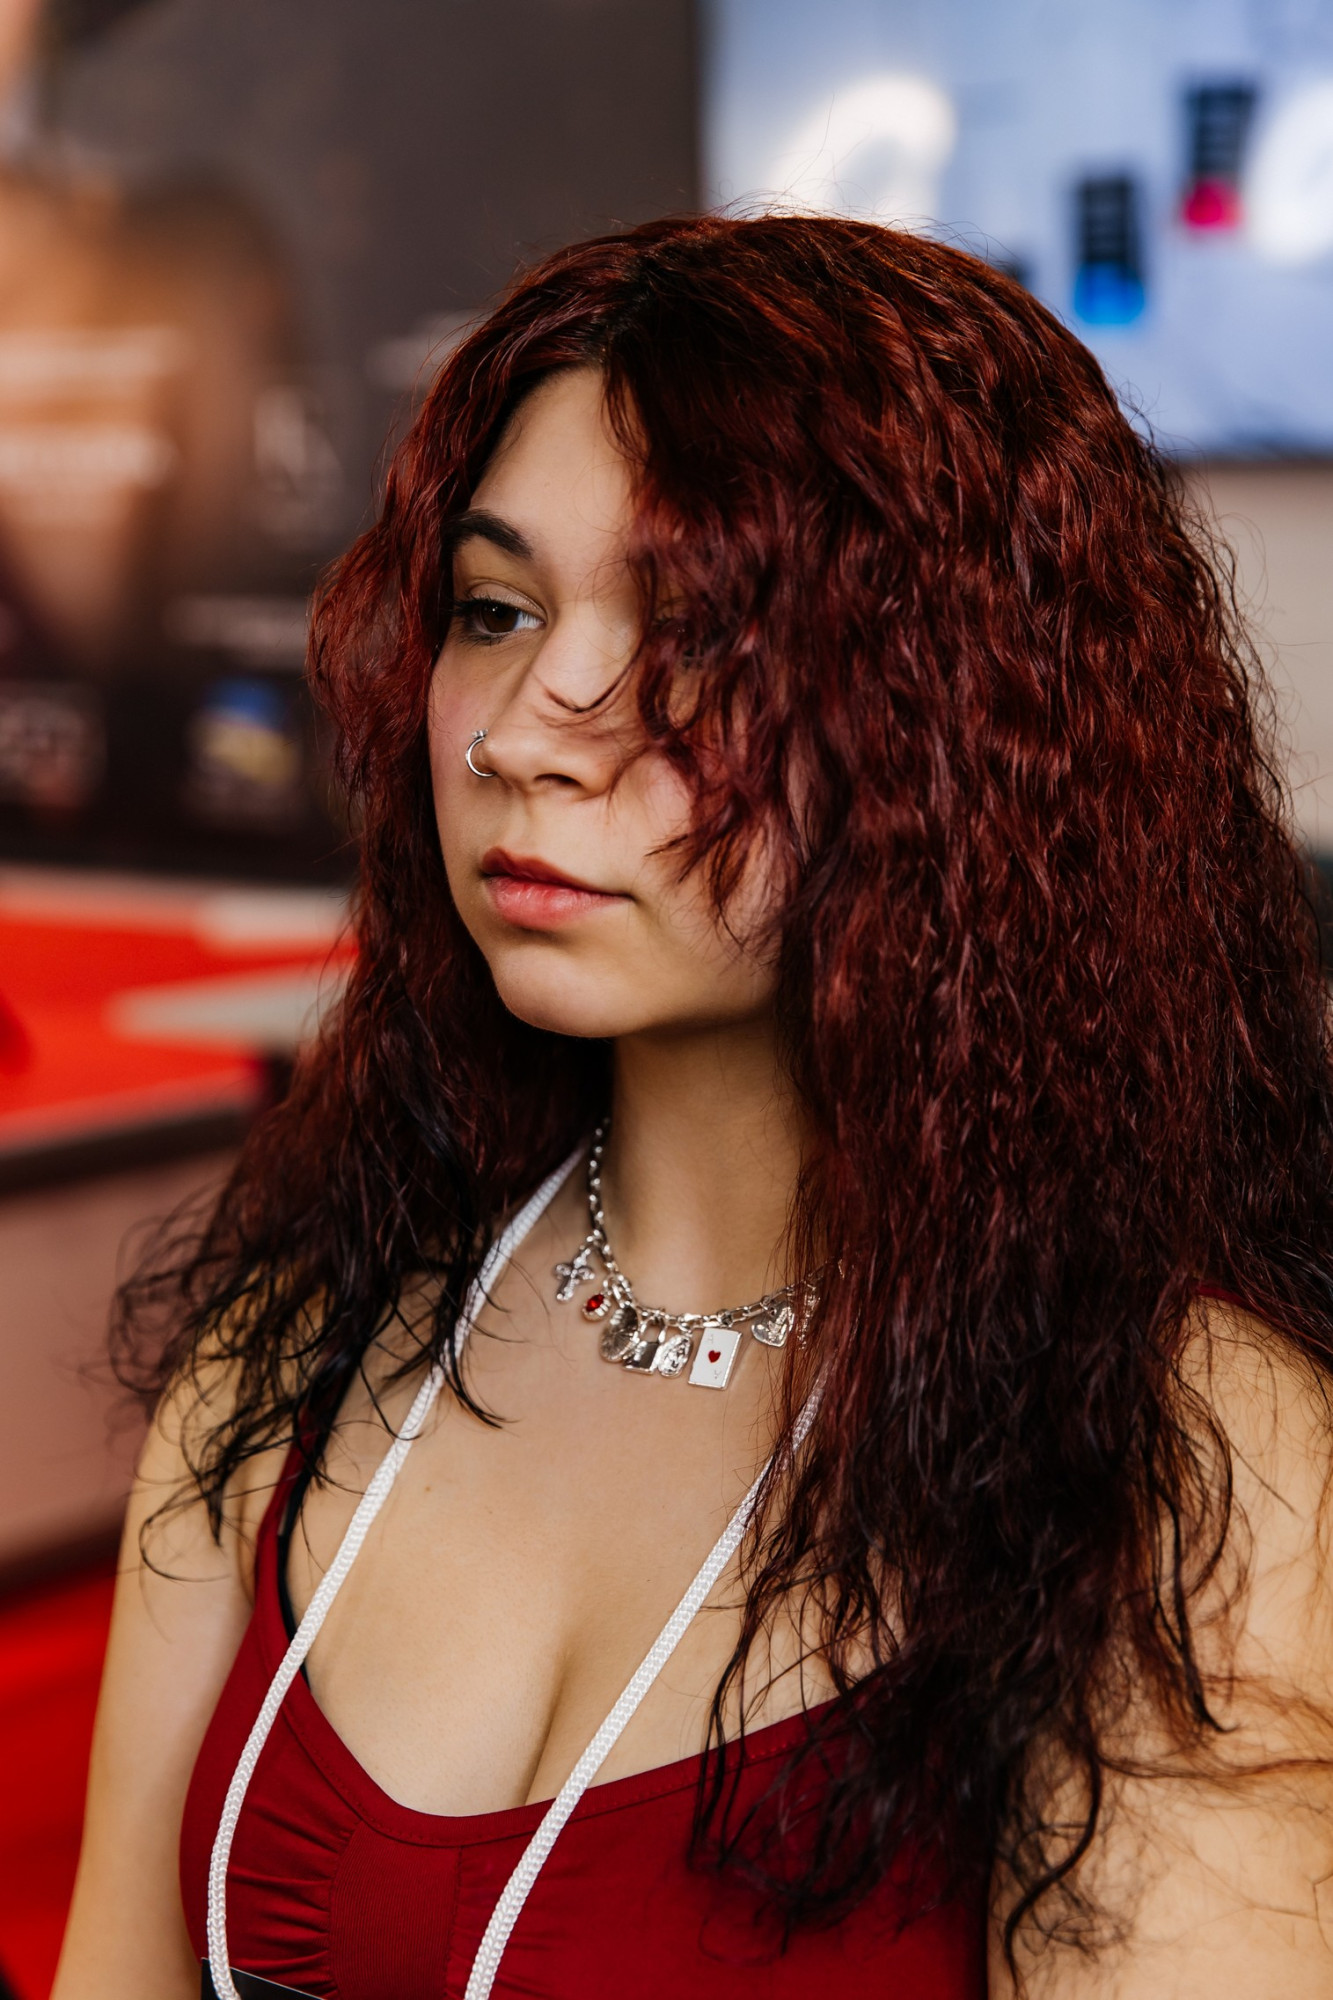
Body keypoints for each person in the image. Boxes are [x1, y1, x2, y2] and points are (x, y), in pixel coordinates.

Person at [52, 214, 1333, 1998]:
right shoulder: (299, 1340)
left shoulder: (1180, 1464)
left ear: (961, 720)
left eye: (703, 628)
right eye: (495, 611)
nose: (524, 730)